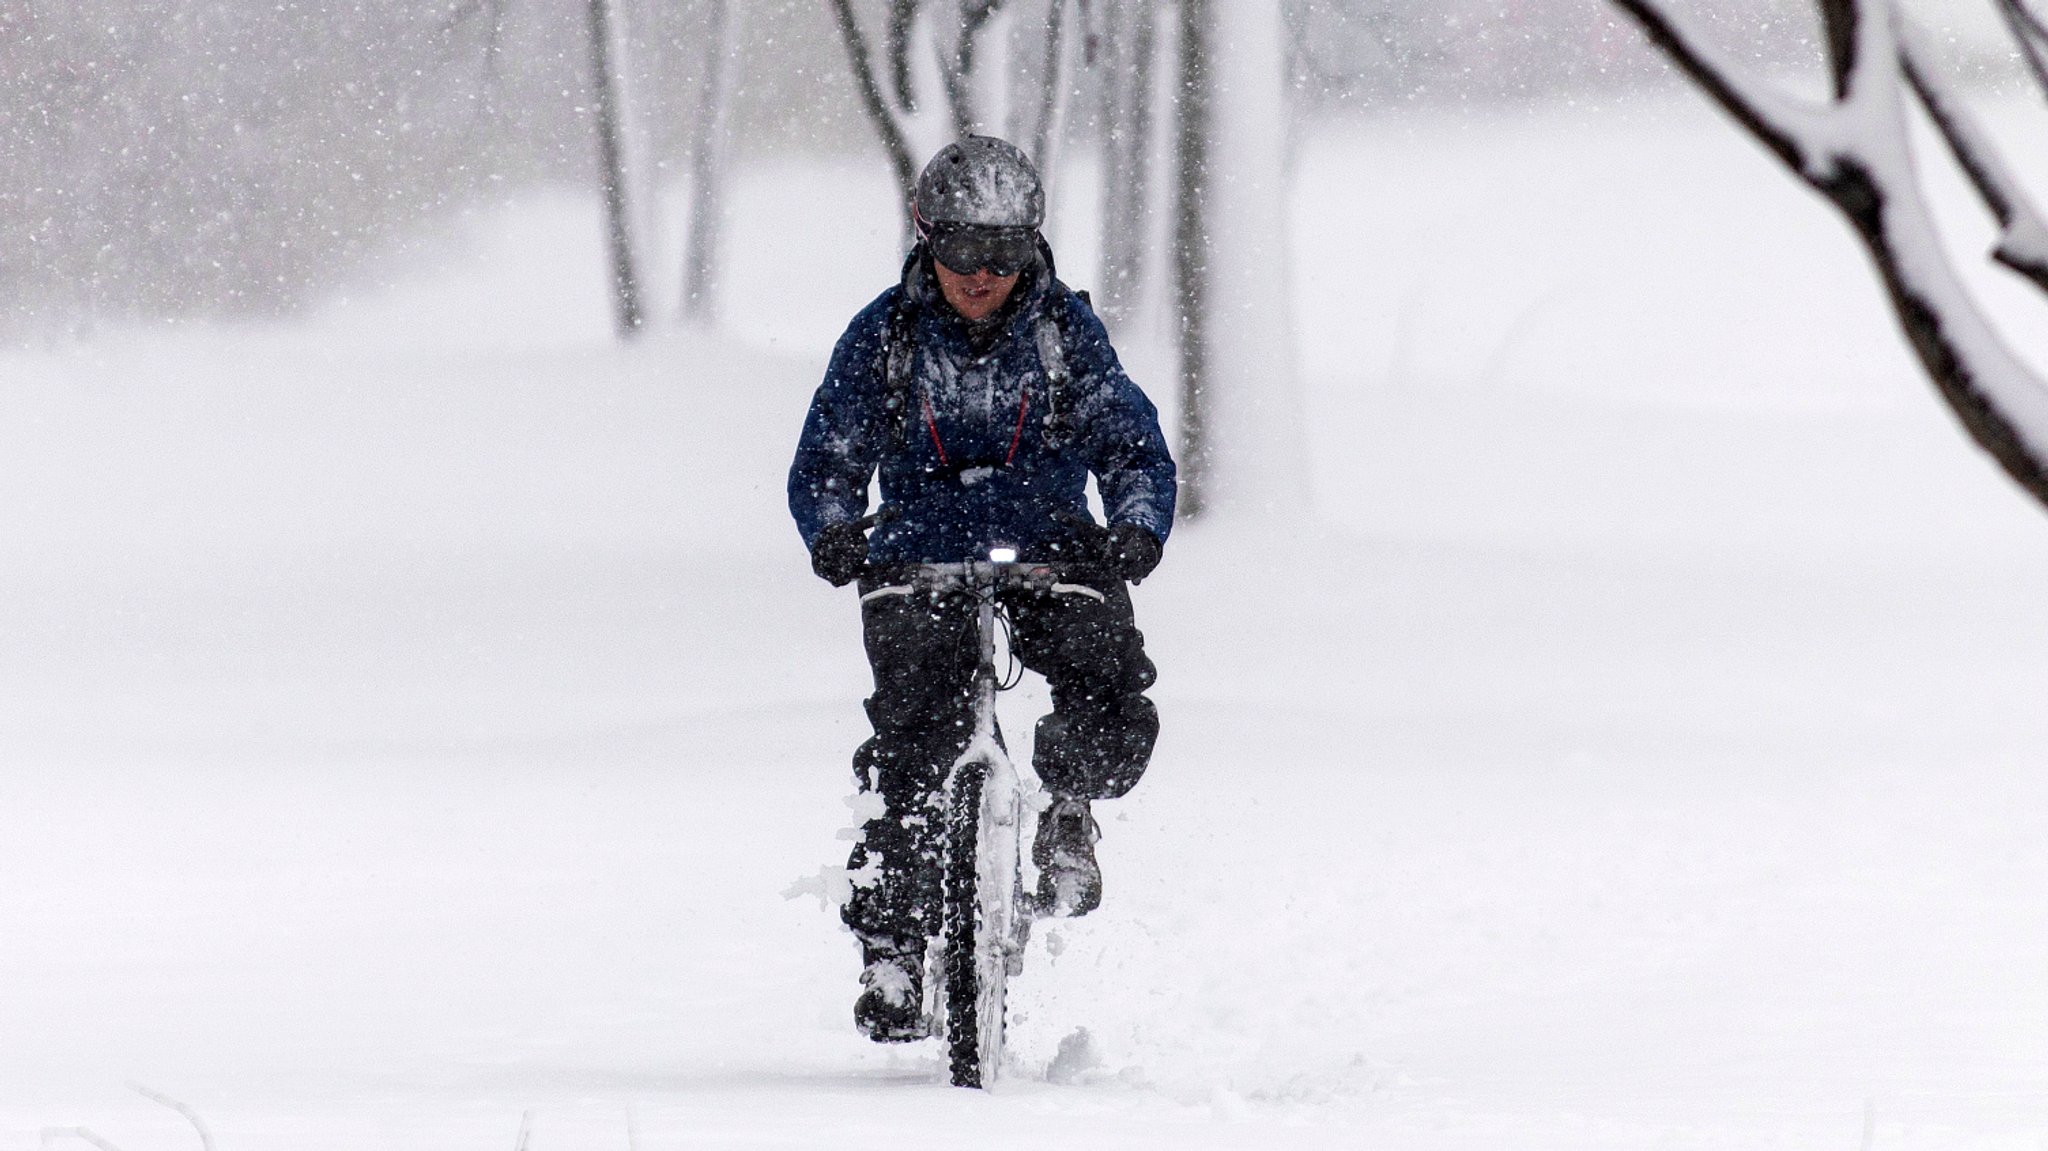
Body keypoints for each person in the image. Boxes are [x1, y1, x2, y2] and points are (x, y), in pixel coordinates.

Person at [788, 136, 1176, 1043]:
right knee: (910, 744)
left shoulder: (1062, 334)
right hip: (916, 550)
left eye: (1002, 257)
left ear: (1032, 250)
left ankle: (1069, 806)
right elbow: (831, 448)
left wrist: (1136, 521)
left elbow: (1128, 437)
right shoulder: (884, 334)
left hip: (1049, 540)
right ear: (927, 240)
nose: (980, 276)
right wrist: (836, 526)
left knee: (1103, 673)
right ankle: (891, 946)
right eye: (961, 252)